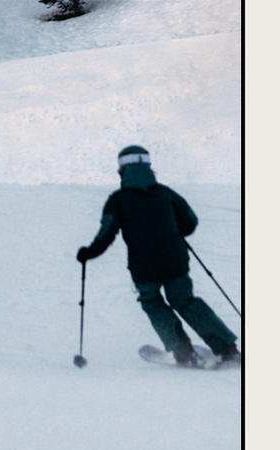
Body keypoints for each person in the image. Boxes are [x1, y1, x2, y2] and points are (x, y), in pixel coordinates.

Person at [77, 145, 240, 367]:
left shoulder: (118, 199)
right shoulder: (166, 193)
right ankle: (228, 350)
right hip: (176, 260)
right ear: (148, 167)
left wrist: (89, 252)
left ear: (122, 170)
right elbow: (190, 221)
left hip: (144, 266)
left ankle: (183, 353)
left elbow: (107, 233)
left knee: (152, 302)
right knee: (185, 301)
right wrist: (172, 231)